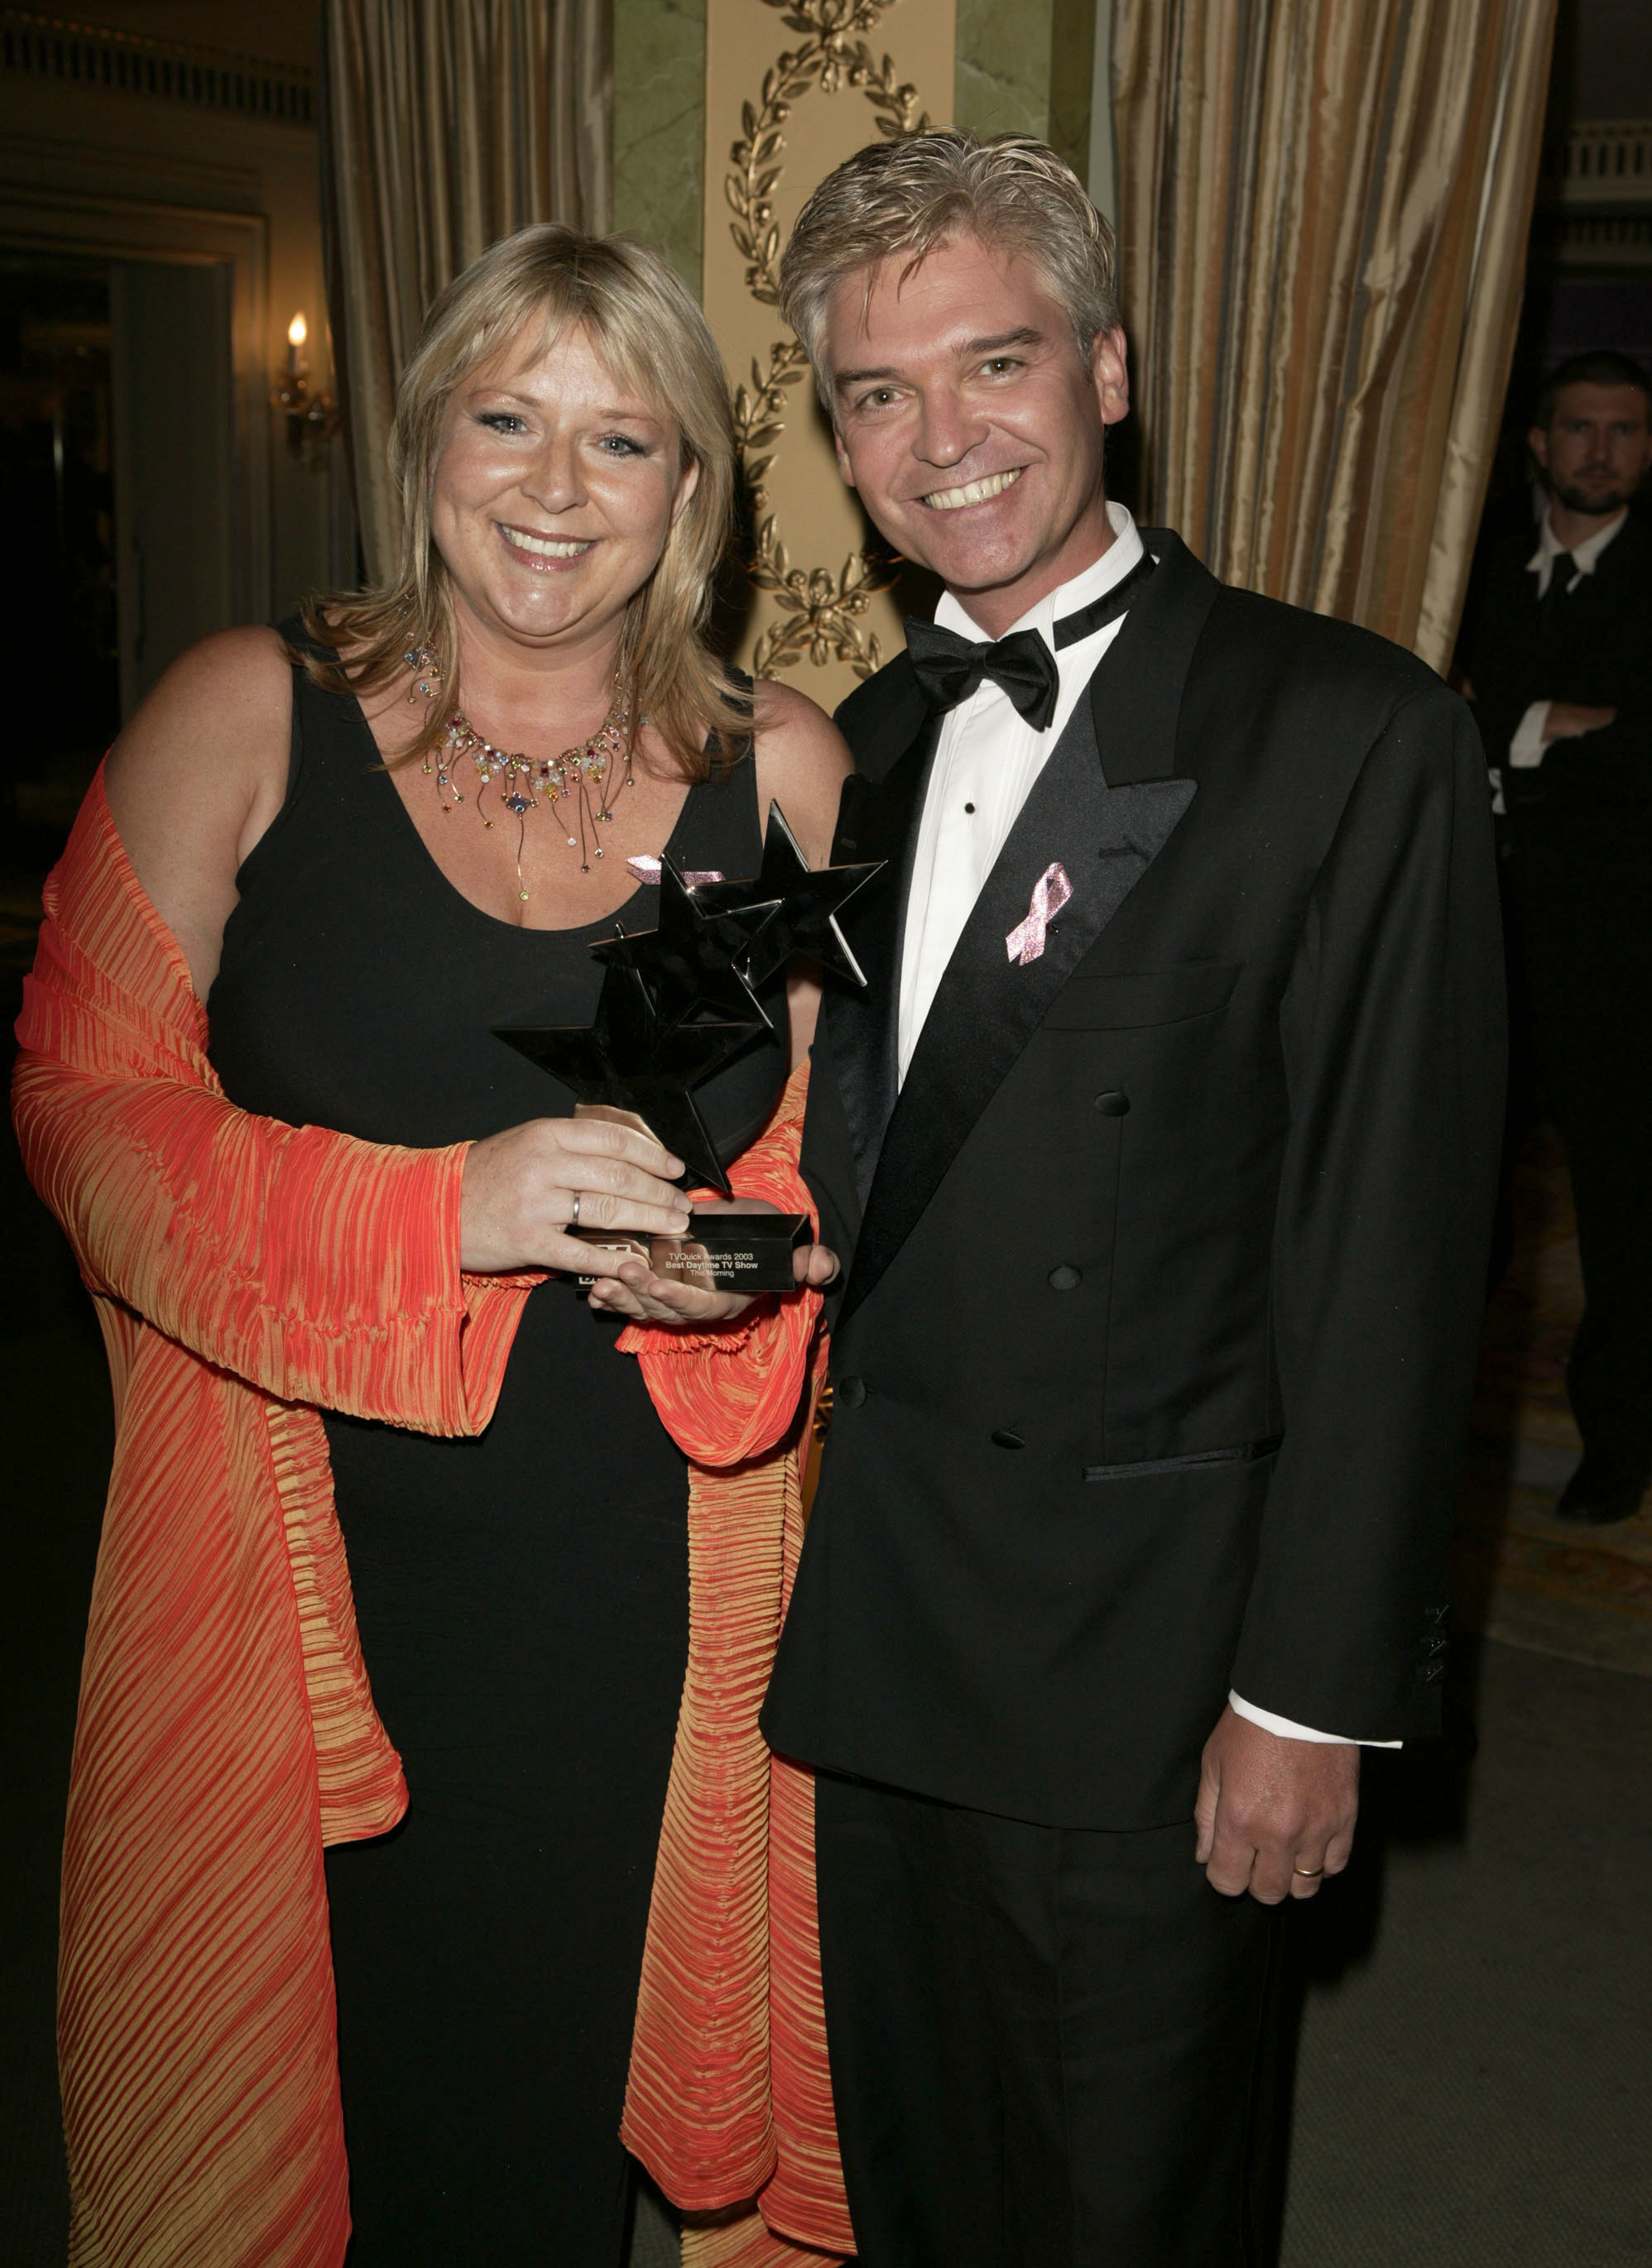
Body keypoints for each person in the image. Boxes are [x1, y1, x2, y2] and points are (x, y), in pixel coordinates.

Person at [13, 227, 857, 2267]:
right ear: (424, 439)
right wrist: (434, 1211)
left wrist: (731, 1264)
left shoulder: (793, 766)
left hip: (638, 1573)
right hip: (296, 1559)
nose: (555, 487)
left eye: (621, 438)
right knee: (332, 2105)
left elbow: (833, 1176)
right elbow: (79, 1107)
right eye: (508, 418)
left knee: (545, 2109)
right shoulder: (246, 715)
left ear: (691, 496)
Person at [758, 132, 1506, 2267]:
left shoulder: (1344, 732)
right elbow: (899, 1160)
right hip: (894, 1630)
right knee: (925, 2198)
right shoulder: (873, 744)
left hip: (1153, 1672)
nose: (940, 440)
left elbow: (1389, 1256)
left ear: (1105, 365)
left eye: (991, 363)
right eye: (877, 397)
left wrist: (1308, 1693)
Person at [1464, 350, 1652, 1526]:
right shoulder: (1471, 568)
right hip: (1474, 939)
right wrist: (1573, 731)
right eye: (1579, 428)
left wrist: (1506, 724)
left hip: (1621, 958)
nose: (1601, 451)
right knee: (1459, 1196)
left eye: (1625, 431)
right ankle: (1428, 1424)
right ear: (1538, 443)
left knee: (1625, 1211)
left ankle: (1618, 1439)